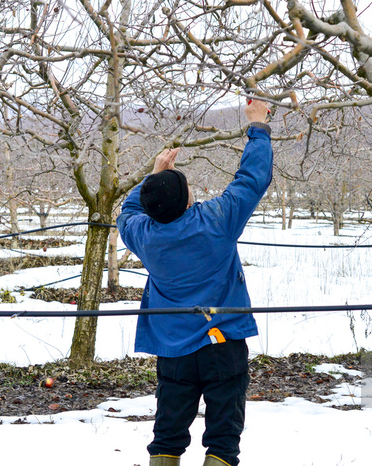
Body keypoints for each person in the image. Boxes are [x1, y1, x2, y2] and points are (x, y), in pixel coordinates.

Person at [116, 98, 273, 466]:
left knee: (167, 437)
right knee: (222, 441)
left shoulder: (143, 235)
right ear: (187, 199)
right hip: (223, 346)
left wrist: (153, 177)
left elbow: (129, 210)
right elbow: (252, 180)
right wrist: (258, 125)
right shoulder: (216, 220)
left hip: (173, 353)